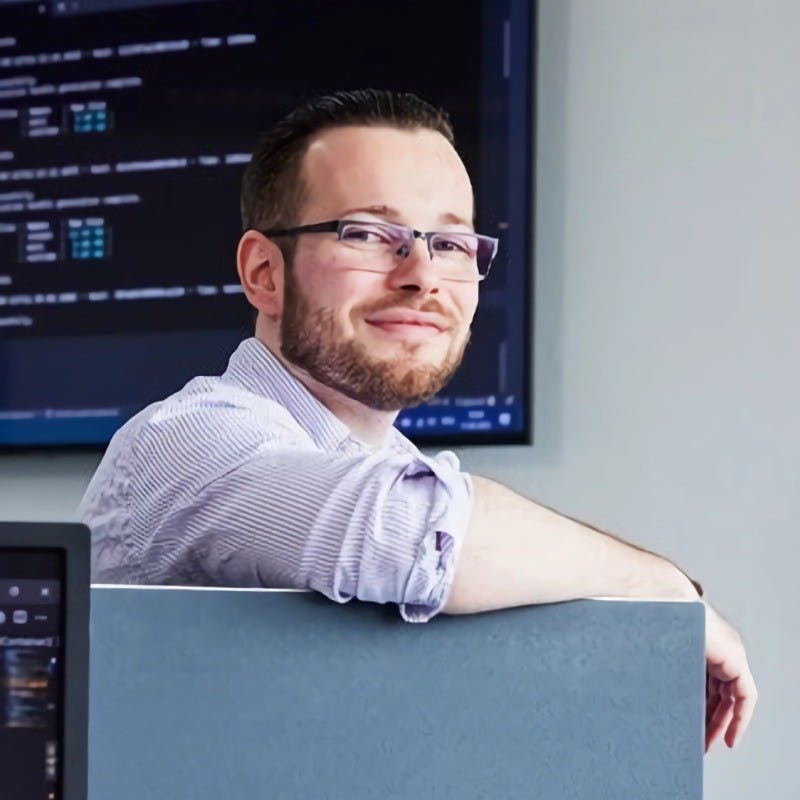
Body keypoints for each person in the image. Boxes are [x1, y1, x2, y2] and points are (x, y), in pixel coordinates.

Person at [79, 89, 756, 752]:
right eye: (370, 234)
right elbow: (407, 534)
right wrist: (664, 591)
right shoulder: (184, 443)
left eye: (453, 244)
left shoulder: (389, 464)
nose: (423, 276)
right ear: (264, 273)